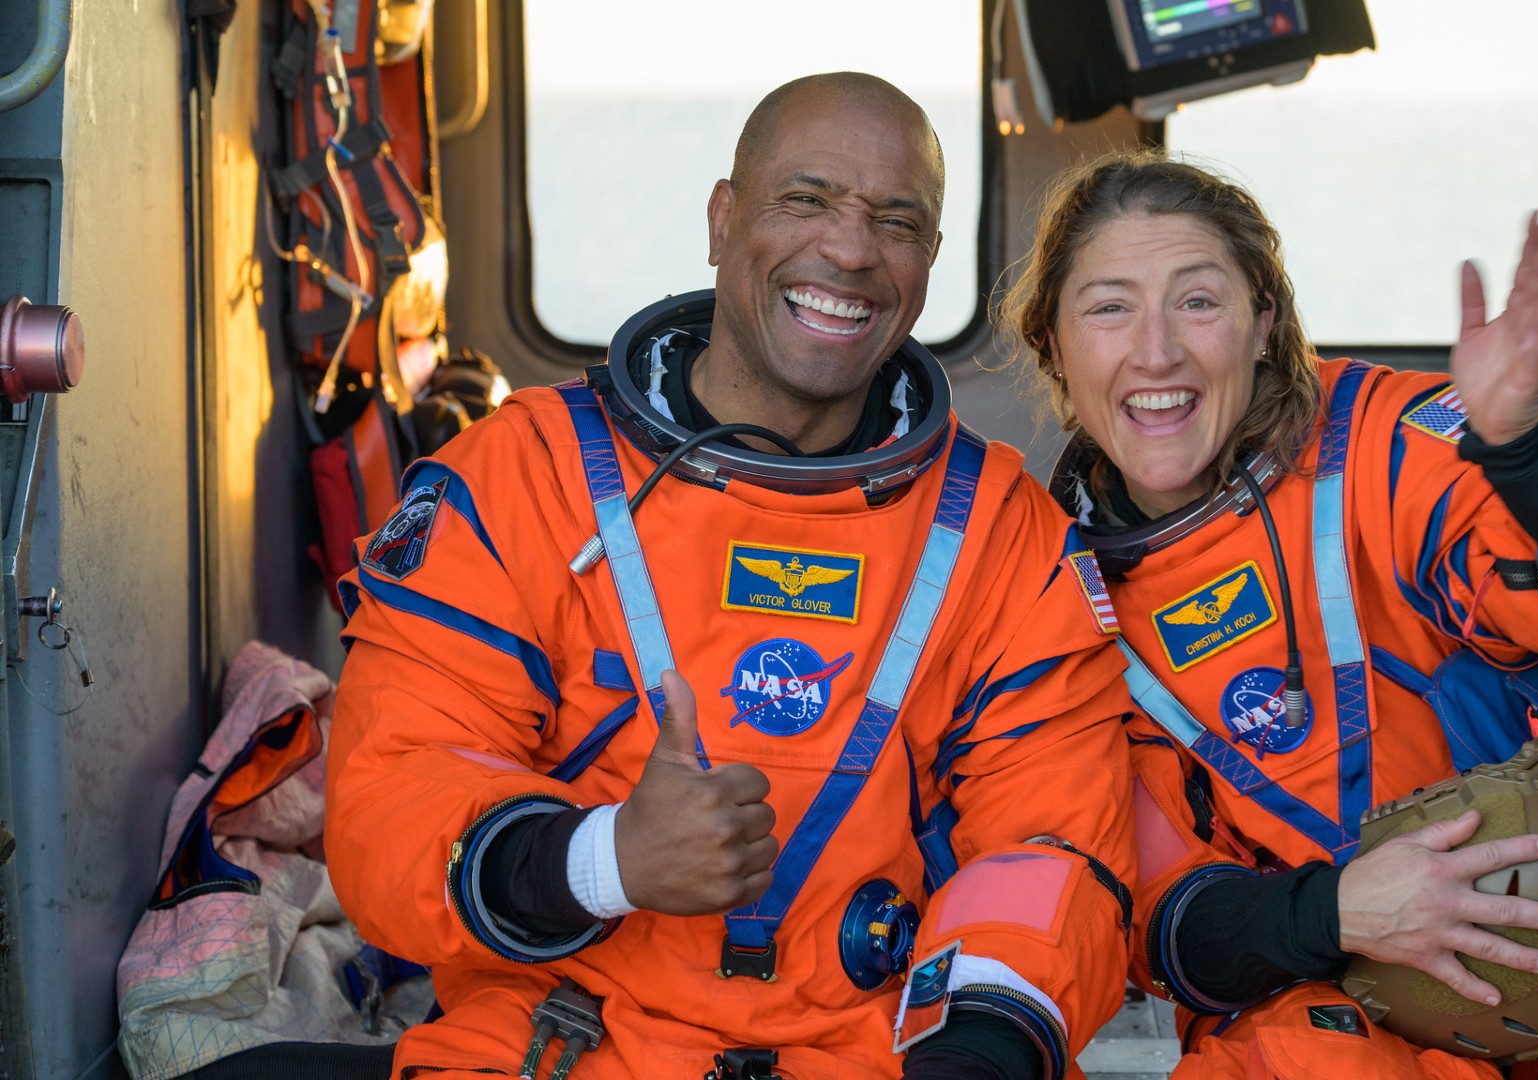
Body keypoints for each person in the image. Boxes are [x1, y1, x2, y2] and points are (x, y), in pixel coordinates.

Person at [324, 73, 1137, 1080]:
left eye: (896, 221)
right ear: (722, 219)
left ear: (929, 258)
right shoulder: (523, 479)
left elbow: (1054, 848)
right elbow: (391, 796)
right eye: (806, 199)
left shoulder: (1002, 535)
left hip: (882, 1055)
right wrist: (604, 860)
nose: (850, 249)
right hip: (566, 1042)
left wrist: (977, 1053)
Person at [1001, 151, 1538, 1078]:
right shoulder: (1050, 594)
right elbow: (1157, 922)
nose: (1157, 352)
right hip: (1338, 988)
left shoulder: (1386, 450)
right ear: (1053, 343)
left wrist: (1531, 452)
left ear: (1263, 324)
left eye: (1197, 301)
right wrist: (1339, 912)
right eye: (1110, 308)